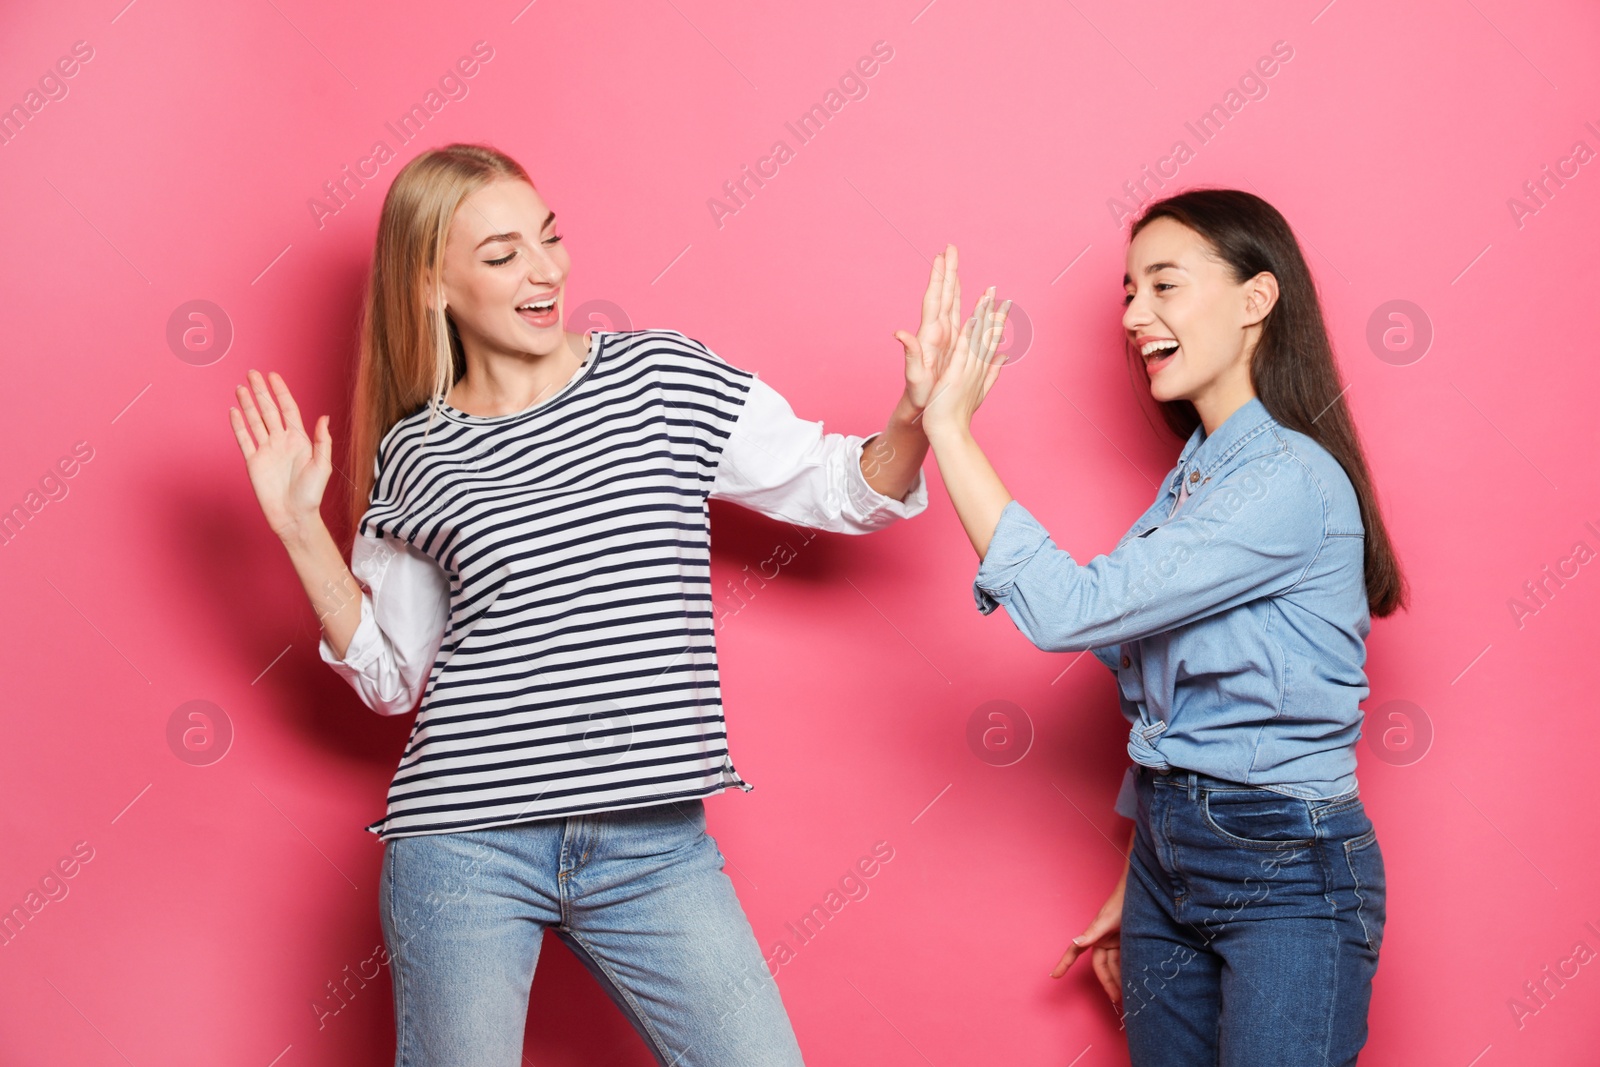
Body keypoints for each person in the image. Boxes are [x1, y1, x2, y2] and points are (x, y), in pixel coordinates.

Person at [226, 142, 987, 1067]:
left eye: (548, 239)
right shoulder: (416, 454)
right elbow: (391, 679)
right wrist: (301, 530)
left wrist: (914, 418)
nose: (546, 271)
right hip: (464, 847)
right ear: (432, 286)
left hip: (652, 845)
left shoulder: (662, 379)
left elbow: (841, 488)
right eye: (503, 256)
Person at [919, 188, 1407, 1066]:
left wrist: (947, 428)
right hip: (1167, 868)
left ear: (1257, 300)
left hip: (1286, 869)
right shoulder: (1199, 474)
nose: (1136, 315)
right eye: (1128, 292)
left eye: (1164, 285)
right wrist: (1152, 868)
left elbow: (1071, 609)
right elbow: (1164, 695)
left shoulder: (1285, 483)